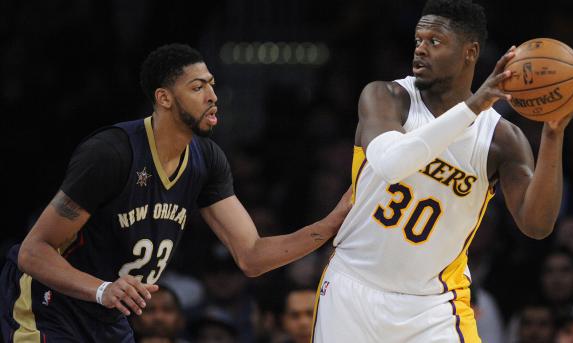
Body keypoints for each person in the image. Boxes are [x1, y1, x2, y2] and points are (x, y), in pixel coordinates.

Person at [0, 43, 351, 342]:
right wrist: (103, 288)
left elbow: (252, 256)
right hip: (49, 305)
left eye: (212, 85)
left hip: (109, 314)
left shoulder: (207, 160)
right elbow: (33, 252)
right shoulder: (111, 153)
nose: (213, 96)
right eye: (198, 87)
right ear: (164, 98)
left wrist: (330, 224)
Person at [311, 0, 573, 342]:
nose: (421, 50)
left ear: (470, 52)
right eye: (418, 40)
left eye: (435, 42)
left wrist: (552, 135)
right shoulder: (386, 97)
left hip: (434, 307)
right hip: (352, 288)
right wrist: (473, 106)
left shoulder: (502, 139)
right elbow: (391, 164)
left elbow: (537, 224)